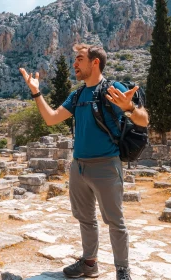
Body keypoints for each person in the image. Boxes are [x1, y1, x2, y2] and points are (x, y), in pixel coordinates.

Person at [19, 43, 149, 280]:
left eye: (79, 59)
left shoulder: (112, 89)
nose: (74, 64)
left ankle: (123, 270)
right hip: (78, 167)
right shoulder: (77, 95)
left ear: (95, 62)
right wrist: (36, 92)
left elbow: (143, 120)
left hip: (106, 166)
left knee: (115, 221)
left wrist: (129, 107)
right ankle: (89, 264)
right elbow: (51, 118)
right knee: (85, 218)